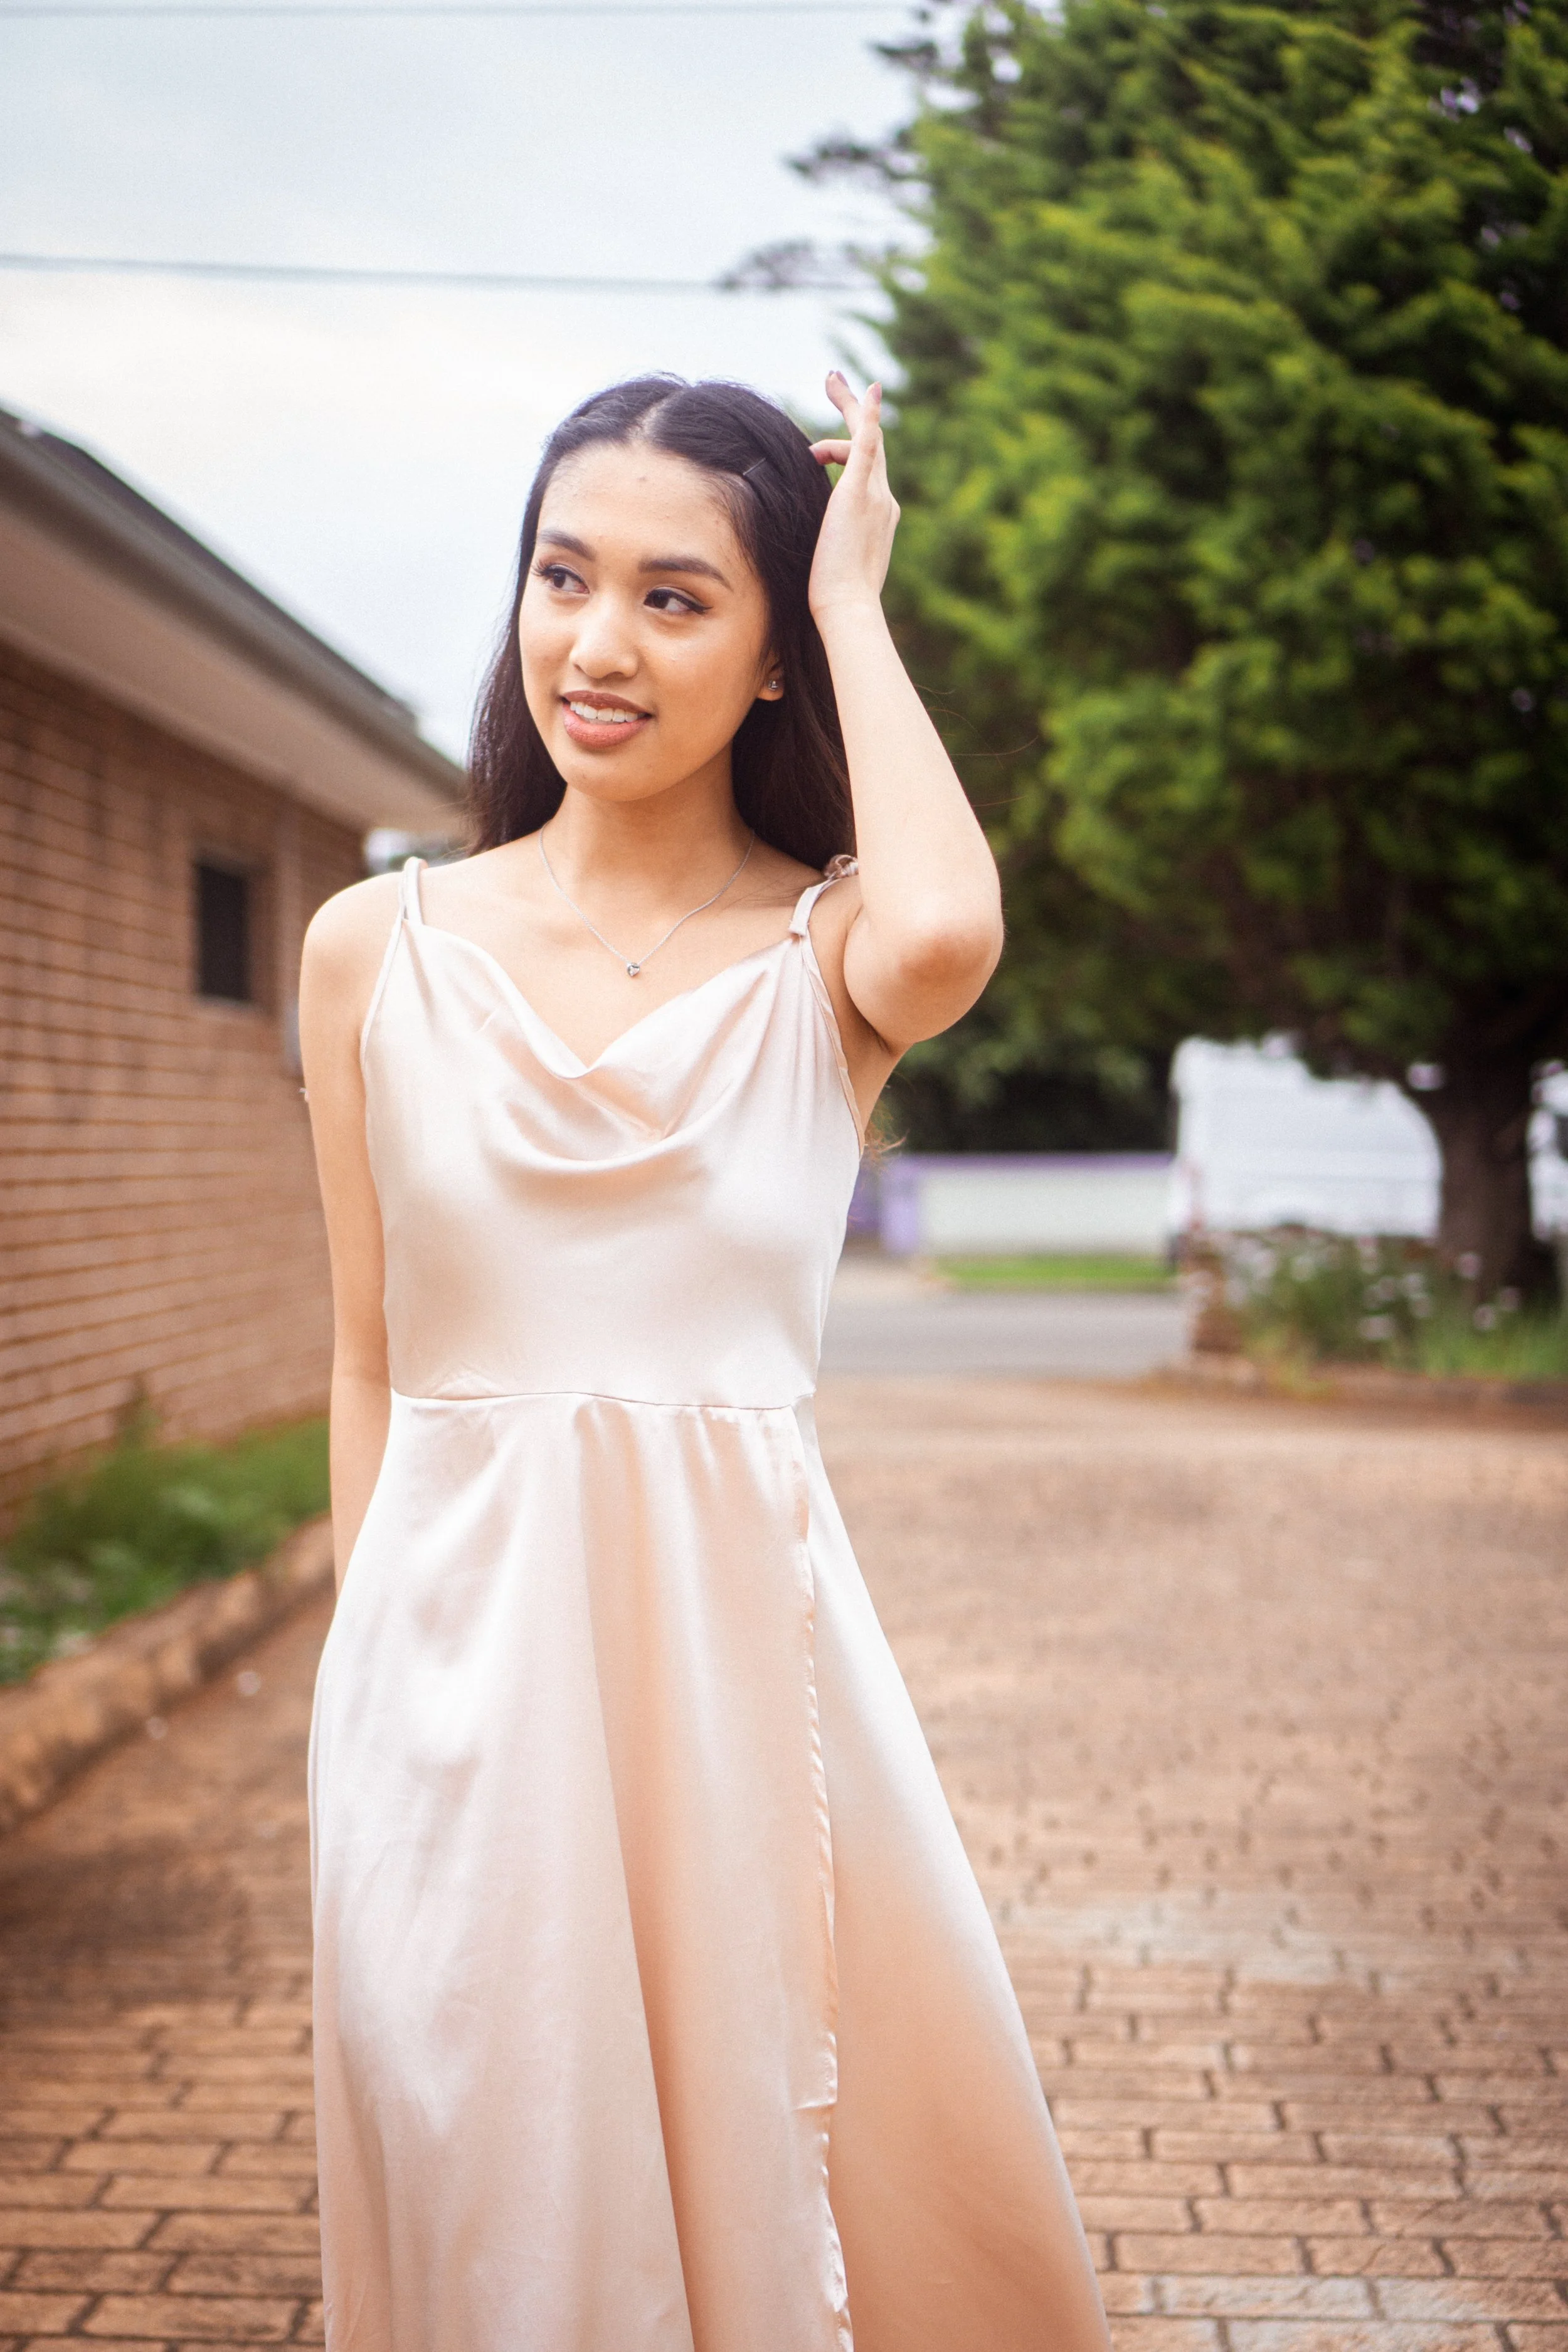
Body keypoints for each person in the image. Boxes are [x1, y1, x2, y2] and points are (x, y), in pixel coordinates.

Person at [300, 370, 1110, 2352]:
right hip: (457, 1697)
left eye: (678, 598)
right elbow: (367, 1359)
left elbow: (947, 921)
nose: (595, 641)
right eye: (563, 577)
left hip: (752, 1688)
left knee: (809, 2162)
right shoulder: (369, 948)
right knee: (503, 2178)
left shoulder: (828, 955)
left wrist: (856, 597)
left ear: (763, 657)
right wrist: (366, 1701)